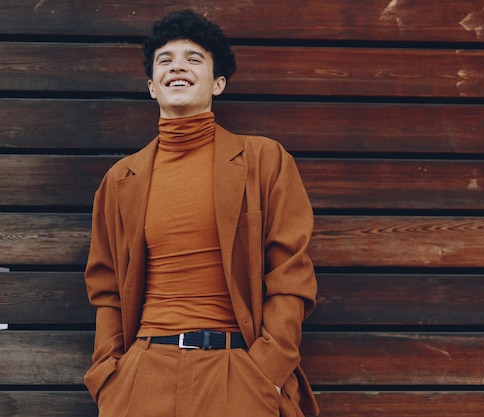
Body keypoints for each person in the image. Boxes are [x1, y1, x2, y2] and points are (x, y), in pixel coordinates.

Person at [83, 9, 319, 417]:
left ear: (218, 83)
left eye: (194, 58)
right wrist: (110, 378)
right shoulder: (122, 179)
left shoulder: (265, 160)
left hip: (237, 377)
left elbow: (290, 276)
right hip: (140, 382)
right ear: (152, 87)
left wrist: (266, 373)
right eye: (165, 59)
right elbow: (105, 288)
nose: (178, 65)